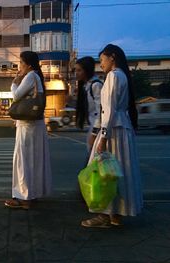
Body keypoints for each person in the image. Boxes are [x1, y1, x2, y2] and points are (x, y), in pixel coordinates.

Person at [81, 44, 143, 228]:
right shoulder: (123, 76)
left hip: (113, 131)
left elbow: (108, 110)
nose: (101, 64)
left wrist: (104, 137)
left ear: (112, 57)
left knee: (104, 173)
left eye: (102, 60)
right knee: (120, 171)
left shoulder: (113, 76)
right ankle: (116, 215)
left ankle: (104, 215)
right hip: (122, 129)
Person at [4, 51, 52, 209]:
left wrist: (15, 82)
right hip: (35, 126)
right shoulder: (36, 77)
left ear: (28, 65)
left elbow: (16, 96)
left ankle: (24, 198)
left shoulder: (31, 76)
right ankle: (32, 194)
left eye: (21, 63)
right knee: (33, 161)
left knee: (23, 161)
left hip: (27, 126)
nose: (19, 66)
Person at [75, 56, 104, 152]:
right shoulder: (86, 85)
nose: (76, 73)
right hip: (93, 126)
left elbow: (100, 111)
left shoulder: (96, 85)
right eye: (76, 70)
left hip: (98, 129)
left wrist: (94, 133)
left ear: (86, 70)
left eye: (79, 70)